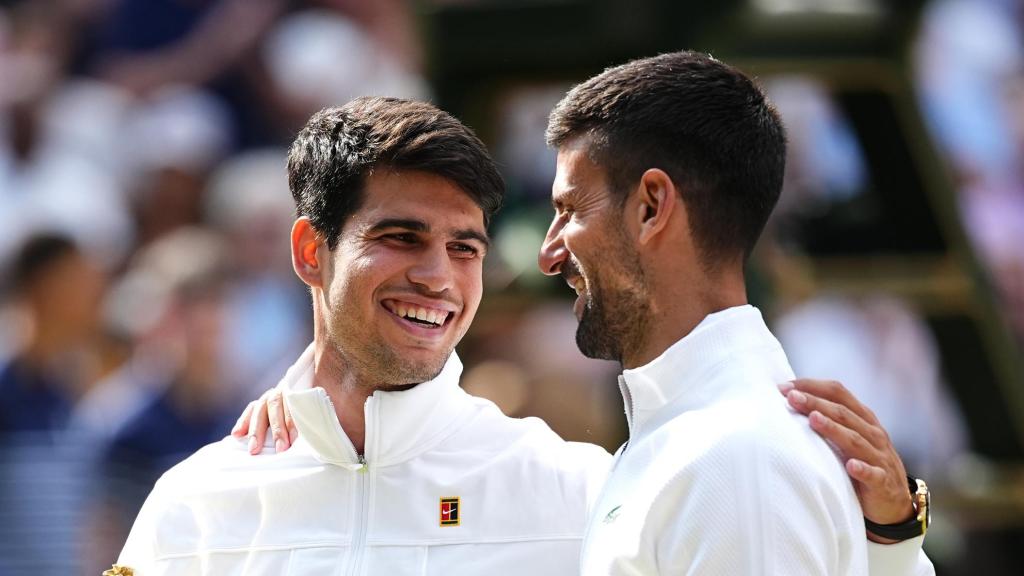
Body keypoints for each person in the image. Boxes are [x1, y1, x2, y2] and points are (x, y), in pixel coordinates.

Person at [115, 92, 931, 575]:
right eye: (402, 237)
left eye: (464, 247)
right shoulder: (196, 504)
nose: (438, 275)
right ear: (309, 251)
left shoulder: (585, 490)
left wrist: (893, 539)